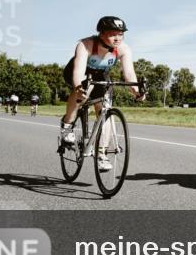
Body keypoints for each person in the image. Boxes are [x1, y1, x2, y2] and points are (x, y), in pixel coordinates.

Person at [59, 16, 141, 171]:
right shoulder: (86, 44)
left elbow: (129, 73)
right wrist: (79, 88)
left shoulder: (123, 49)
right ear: (101, 34)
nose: (117, 38)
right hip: (78, 71)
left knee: (104, 109)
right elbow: (78, 72)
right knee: (82, 93)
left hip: (100, 75)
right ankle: (67, 127)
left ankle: (101, 153)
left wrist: (136, 91)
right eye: (112, 34)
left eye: (121, 34)